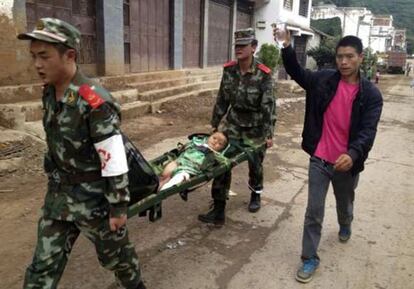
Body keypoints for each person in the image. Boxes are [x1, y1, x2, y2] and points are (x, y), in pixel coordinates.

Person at [18, 18, 146, 289]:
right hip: (59, 197)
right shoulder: (50, 92)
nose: (37, 64)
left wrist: (118, 206)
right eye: (34, 56)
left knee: (118, 259)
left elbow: (113, 158)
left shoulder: (94, 100)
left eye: (44, 56)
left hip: (95, 201)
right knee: (42, 267)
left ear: (70, 55)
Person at [274, 27, 383, 283]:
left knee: (344, 204)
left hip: (346, 164)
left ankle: (346, 222)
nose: (343, 62)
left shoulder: (371, 95)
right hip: (320, 159)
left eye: (349, 57)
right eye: (339, 57)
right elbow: (298, 73)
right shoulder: (323, 80)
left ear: (360, 57)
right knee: (314, 211)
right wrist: (287, 47)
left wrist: (354, 154)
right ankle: (309, 257)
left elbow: (368, 131)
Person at [198, 28, 276, 225]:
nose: (239, 49)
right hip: (233, 124)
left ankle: (255, 194)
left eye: (243, 45)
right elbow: (222, 99)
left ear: (253, 47)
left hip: (256, 127)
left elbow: (268, 106)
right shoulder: (229, 70)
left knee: (255, 164)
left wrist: (269, 133)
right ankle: (218, 209)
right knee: (221, 162)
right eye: (237, 46)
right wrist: (215, 124)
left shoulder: (264, 74)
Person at [158, 131, 228, 190]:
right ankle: (158, 185)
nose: (215, 141)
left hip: (189, 169)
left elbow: (224, 162)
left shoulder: (217, 155)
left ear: (221, 149)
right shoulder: (197, 142)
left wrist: (214, 155)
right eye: (214, 138)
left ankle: (163, 190)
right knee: (166, 173)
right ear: (209, 137)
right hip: (180, 161)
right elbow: (184, 148)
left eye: (220, 143)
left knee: (178, 178)